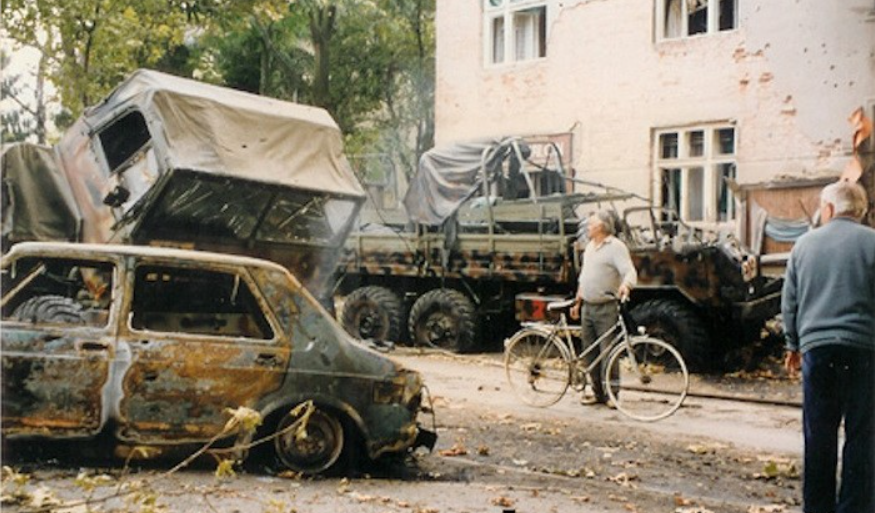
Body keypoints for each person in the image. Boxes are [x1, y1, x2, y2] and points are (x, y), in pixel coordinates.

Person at [782, 180, 875, 513]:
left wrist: (792, 344)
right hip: (863, 351)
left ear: (830, 209)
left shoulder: (803, 246)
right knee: (862, 435)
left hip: (817, 351)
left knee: (818, 434)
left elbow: (789, 301)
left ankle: (817, 507)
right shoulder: (873, 242)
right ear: (860, 212)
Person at [570, 210, 637, 405]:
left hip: (606, 307)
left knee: (608, 351)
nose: (588, 228)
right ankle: (597, 392)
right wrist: (577, 302)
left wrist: (626, 285)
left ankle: (612, 394)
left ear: (601, 227)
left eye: (591, 224)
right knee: (590, 353)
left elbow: (629, 271)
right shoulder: (590, 247)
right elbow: (584, 278)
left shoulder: (616, 247)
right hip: (587, 307)